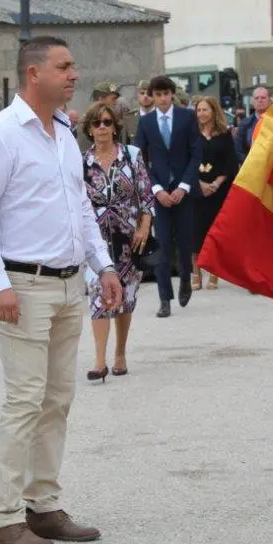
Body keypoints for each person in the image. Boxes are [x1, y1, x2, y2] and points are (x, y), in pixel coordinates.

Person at [0, 35, 122, 544]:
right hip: (23, 285)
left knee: (56, 400)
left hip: (70, 283)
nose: (74, 75)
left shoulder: (62, 135)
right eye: (64, 66)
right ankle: (4, 519)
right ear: (34, 74)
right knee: (25, 401)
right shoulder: (0, 135)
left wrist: (103, 265)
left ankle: (43, 505)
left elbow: (81, 209)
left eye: (73, 66)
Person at [80, 101, 155, 381]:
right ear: (89, 129)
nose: (102, 127)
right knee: (98, 295)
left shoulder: (131, 156)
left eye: (107, 122)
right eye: (97, 123)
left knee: (126, 297)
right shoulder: (81, 162)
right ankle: (99, 361)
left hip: (129, 238)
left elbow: (146, 196)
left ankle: (120, 353)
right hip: (95, 239)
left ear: (115, 127)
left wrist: (144, 227)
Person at [134, 74, 202, 318]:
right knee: (162, 244)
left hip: (183, 191)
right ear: (152, 97)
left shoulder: (186, 117)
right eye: (158, 95)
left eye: (166, 94)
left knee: (184, 243)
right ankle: (164, 298)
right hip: (159, 194)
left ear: (172, 94)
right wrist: (156, 189)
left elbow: (196, 153)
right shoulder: (146, 122)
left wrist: (184, 186)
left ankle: (185, 279)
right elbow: (140, 159)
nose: (162, 99)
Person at [191, 96, 238, 290]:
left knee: (215, 232)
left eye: (205, 109)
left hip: (219, 190)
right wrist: (200, 184)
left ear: (213, 111)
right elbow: (186, 160)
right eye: (199, 110)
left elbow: (231, 162)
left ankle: (214, 273)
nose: (202, 113)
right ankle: (196, 274)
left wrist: (217, 183)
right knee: (195, 232)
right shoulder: (191, 134)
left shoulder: (225, 134)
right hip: (196, 189)